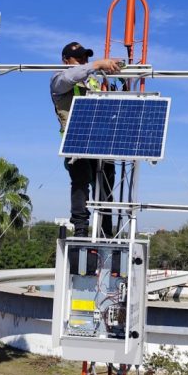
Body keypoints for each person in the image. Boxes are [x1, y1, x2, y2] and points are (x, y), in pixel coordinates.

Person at [50, 42, 121, 237]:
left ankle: (106, 230)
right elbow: (69, 77)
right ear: (66, 60)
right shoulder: (59, 80)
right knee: (80, 182)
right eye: (79, 58)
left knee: (105, 187)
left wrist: (114, 74)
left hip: (101, 141)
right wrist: (97, 65)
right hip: (76, 142)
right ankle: (81, 227)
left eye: (86, 58)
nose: (84, 61)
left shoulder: (94, 81)